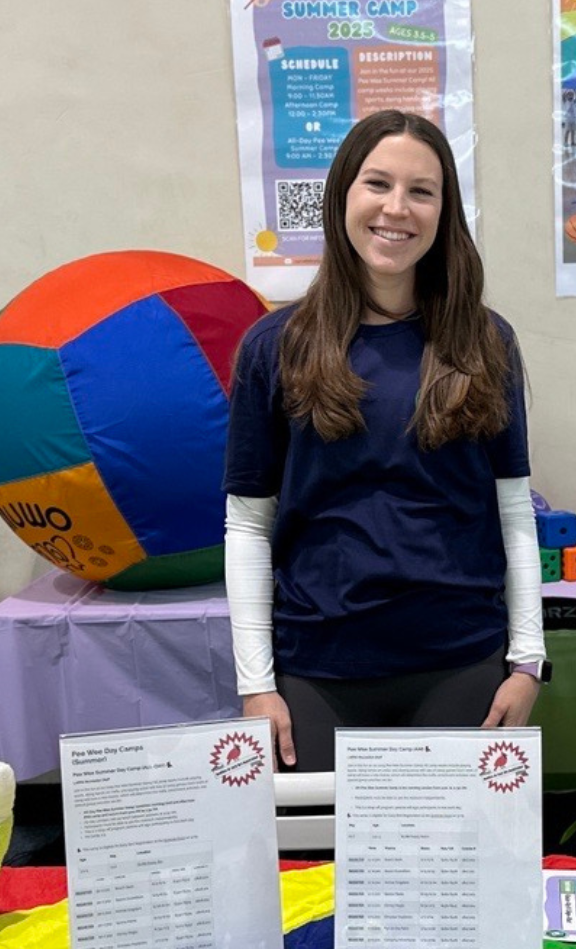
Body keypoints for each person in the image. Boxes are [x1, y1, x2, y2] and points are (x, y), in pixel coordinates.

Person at [223, 110, 547, 771]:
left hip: (461, 660)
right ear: (344, 193)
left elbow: (513, 512)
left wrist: (528, 661)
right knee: (317, 872)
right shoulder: (275, 347)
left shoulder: (486, 343)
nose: (396, 208)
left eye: (421, 191)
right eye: (377, 184)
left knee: (459, 868)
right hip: (318, 665)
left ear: (444, 210)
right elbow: (248, 525)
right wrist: (256, 685)